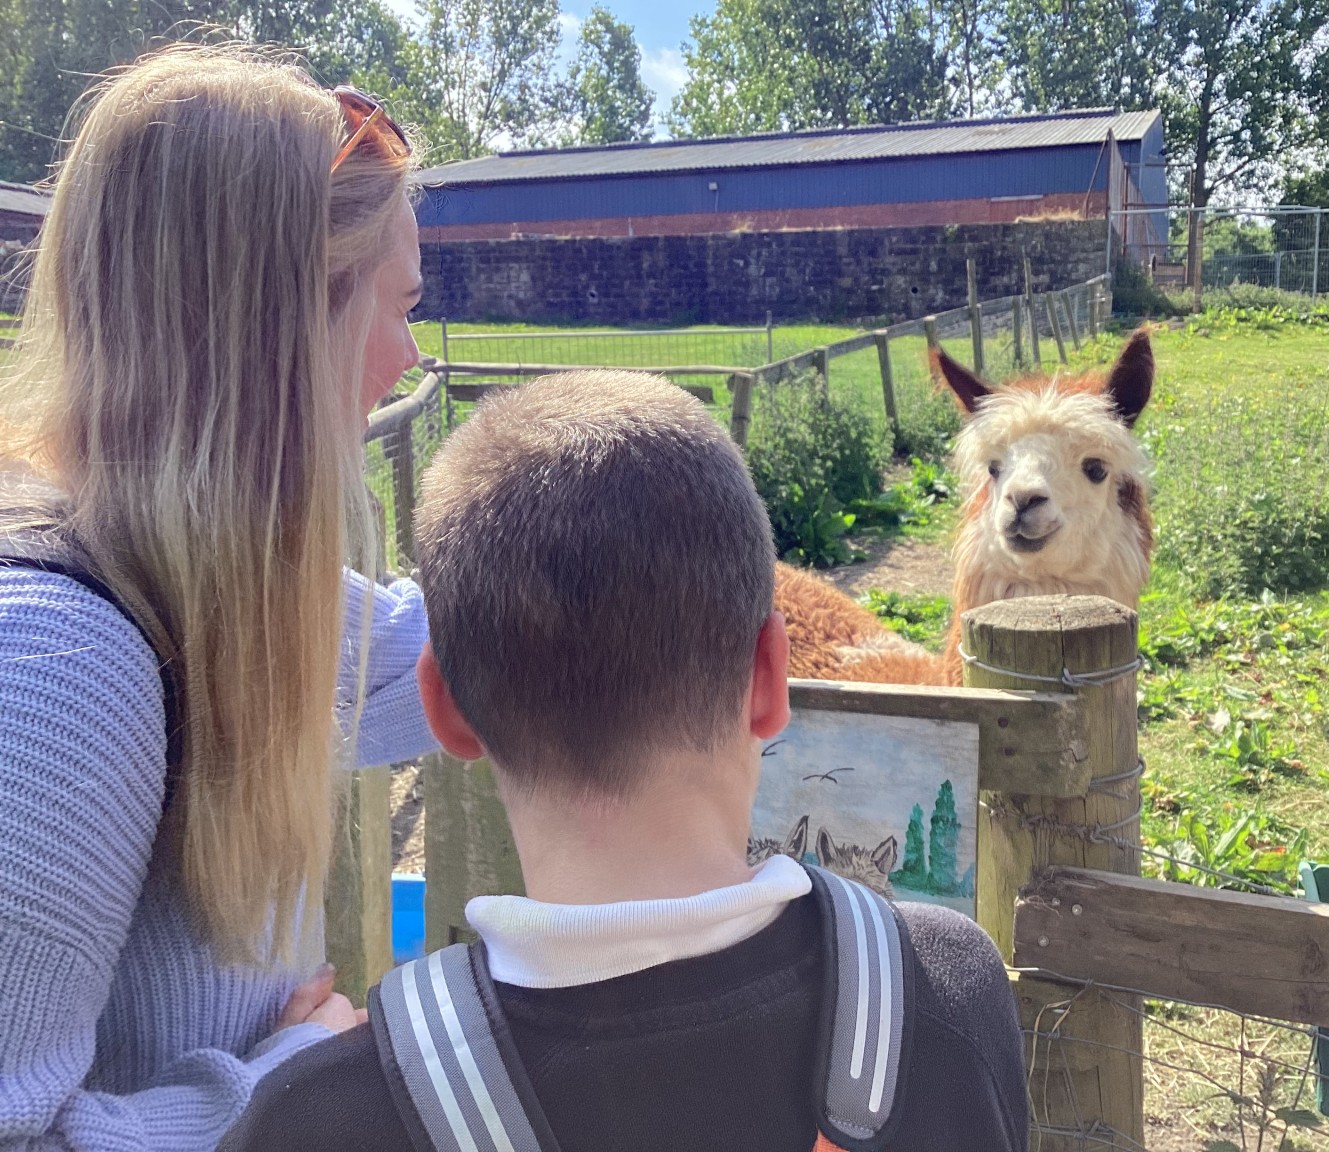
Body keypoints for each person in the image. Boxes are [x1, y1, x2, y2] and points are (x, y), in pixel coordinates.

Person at [224, 370, 1031, 1151]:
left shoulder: (321, 1118)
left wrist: (294, 1079)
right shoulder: (947, 995)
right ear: (769, 679)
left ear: (443, 711)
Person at [0, 45, 439, 1150]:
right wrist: (280, 1087)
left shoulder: (199, 578)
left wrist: (688, 589)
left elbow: (440, 658)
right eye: (398, 307)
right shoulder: (57, 674)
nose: (408, 354)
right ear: (283, 328)